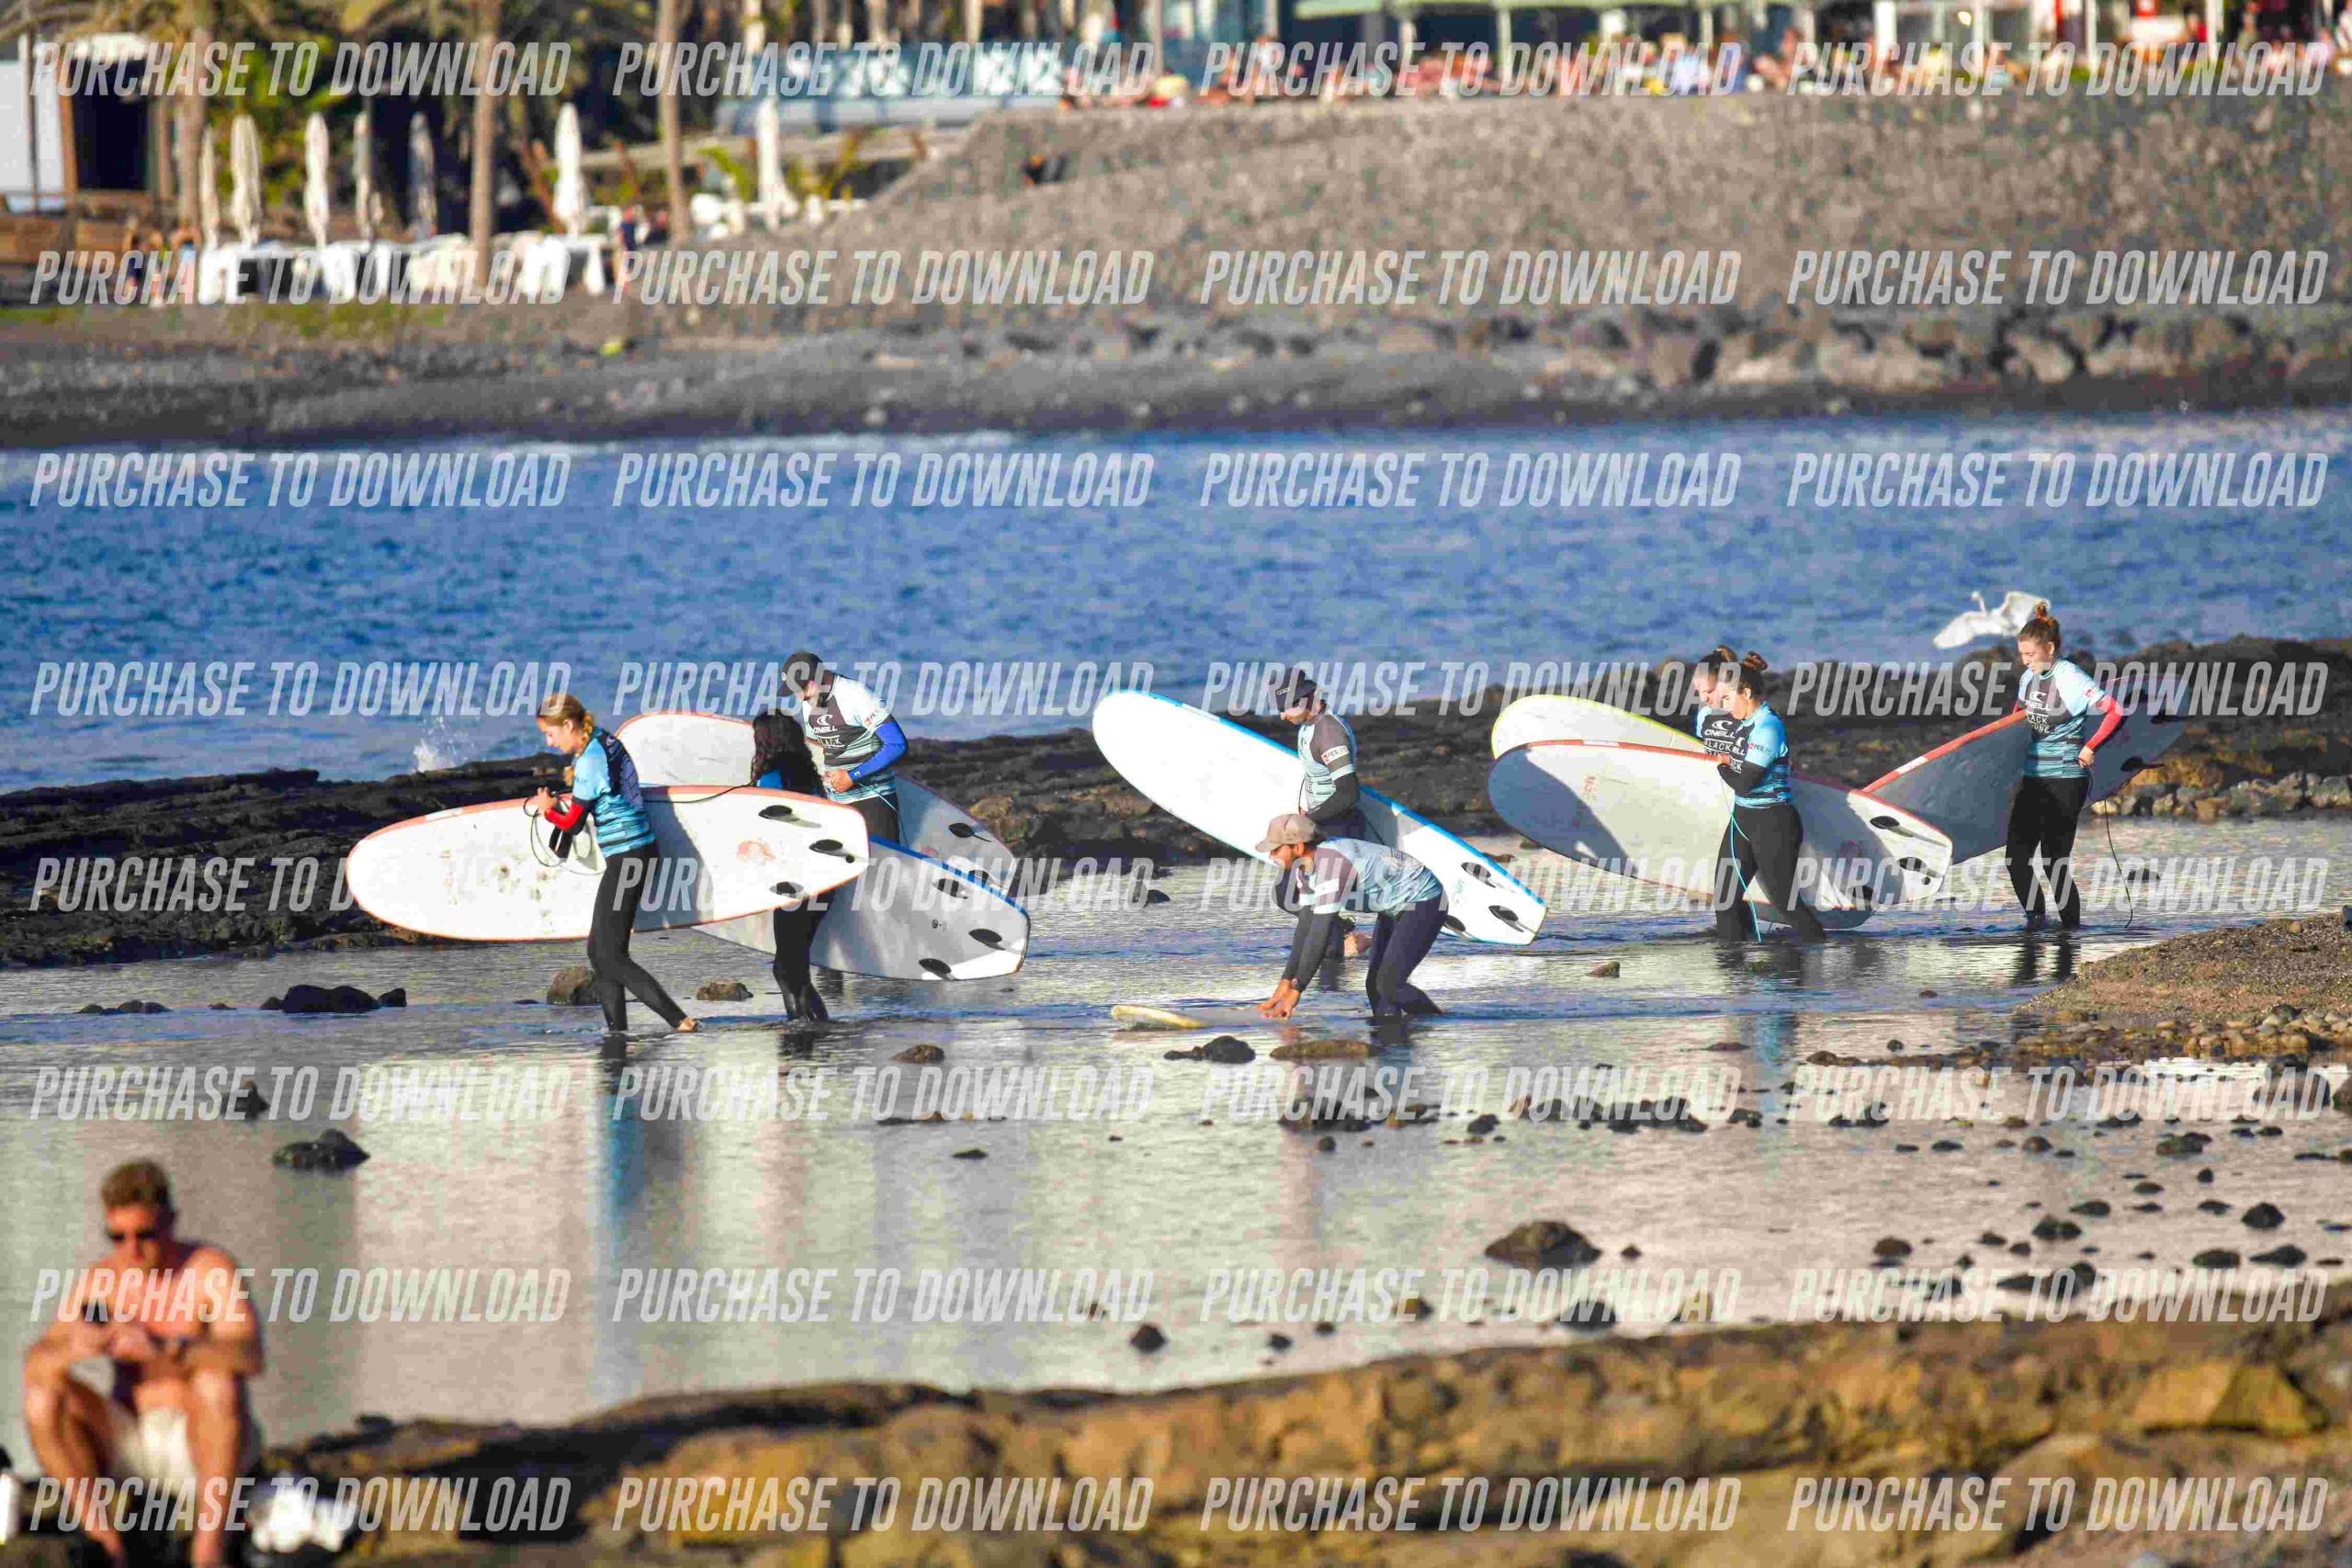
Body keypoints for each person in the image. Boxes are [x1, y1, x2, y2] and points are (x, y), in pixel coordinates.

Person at [21, 1161, 262, 1568]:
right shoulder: (102, 1281)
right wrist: (77, 1347)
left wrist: (168, 1348)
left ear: (170, 1221)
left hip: (199, 1445)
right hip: (131, 1445)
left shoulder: (208, 1269)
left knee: (218, 1383)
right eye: (118, 1237)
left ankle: (208, 1552)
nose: (131, 1249)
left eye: (145, 1235)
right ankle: (107, 1542)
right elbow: (35, 1364)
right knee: (42, 1396)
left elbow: (250, 1356)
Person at [529, 694, 697, 1036]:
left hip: (629, 859)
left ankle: (679, 1019)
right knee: (601, 950)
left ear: (568, 725)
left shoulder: (590, 761)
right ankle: (617, 1030)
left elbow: (573, 824)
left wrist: (548, 810)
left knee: (608, 955)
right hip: (635, 853)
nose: (549, 742)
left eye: (550, 733)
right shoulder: (604, 740)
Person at [1257, 814, 1445, 1022]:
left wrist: (1298, 988)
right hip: (1394, 905)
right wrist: (1286, 981)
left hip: (1424, 900)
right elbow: (1306, 927)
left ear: (1299, 847)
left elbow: (1320, 933)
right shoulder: (1304, 869)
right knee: (1375, 987)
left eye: (1276, 849)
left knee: (1390, 985)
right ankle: (1390, 1039)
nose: (1271, 855)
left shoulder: (1331, 866)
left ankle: (1440, 1026)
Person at [2008, 602, 2123, 931]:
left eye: (2030, 654)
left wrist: (2090, 747)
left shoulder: (2070, 677)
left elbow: (2114, 710)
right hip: (2033, 778)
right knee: (2016, 858)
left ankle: (2071, 931)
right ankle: (2036, 921)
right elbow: (2015, 720)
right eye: (2022, 654)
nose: (2025, 660)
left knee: (2053, 861)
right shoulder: (2028, 677)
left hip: (2065, 779)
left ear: (2049, 648)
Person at [1715, 662, 1827, 942]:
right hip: (1742, 821)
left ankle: (1821, 952)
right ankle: (1733, 966)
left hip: (1773, 822)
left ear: (1746, 693)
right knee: (1725, 898)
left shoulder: (1768, 727)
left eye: (1727, 698)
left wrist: (1722, 767)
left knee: (1785, 903)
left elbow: (1746, 783)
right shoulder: (1746, 724)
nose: (1723, 705)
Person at [749, 707, 831, 1021]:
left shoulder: (772, 777)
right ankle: (810, 1026)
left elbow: (765, 830)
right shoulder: (809, 776)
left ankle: (807, 1028)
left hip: (794, 882)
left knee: (788, 968)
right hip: (824, 879)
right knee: (793, 966)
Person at [785, 652, 907, 845]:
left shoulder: (856, 695)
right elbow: (823, 745)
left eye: (802, 688)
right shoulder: (809, 701)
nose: (800, 697)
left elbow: (896, 745)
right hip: (837, 803)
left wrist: (852, 776)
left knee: (882, 862)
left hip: (874, 800)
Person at [1691, 646, 1765, 939]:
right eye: (1699, 693)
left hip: (1754, 812)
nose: (1704, 699)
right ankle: (1744, 948)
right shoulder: (1704, 717)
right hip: (1721, 811)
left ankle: (1735, 954)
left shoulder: (1751, 715)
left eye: (1708, 691)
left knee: (1729, 895)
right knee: (1728, 894)